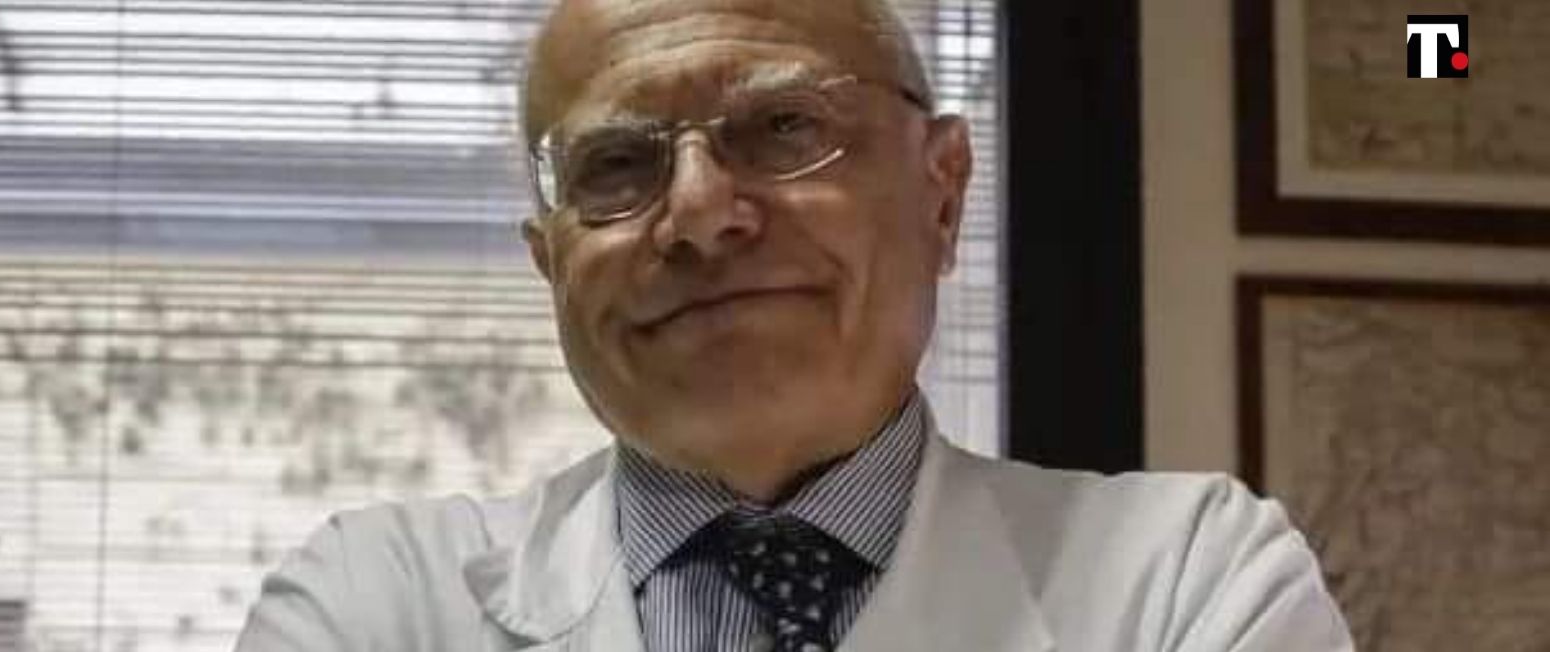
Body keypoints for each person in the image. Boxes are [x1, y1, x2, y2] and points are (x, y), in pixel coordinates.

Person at [235, 0, 1354, 650]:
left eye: (782, 128)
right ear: (551, 264)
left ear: (943, 195)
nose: (698, 212)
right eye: (616, 165)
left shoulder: (1190, 582)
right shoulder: (376, 603)